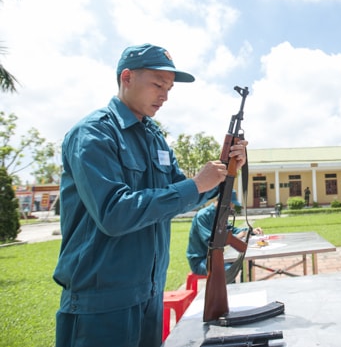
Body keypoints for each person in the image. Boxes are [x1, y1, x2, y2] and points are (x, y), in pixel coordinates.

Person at [52, 43, 248, 347]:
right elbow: (114, 213)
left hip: (150, 296)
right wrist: (196, 184)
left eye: (169, 88)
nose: (165, 95)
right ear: (127, 77)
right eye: (158, 84)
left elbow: (180, 194)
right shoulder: (93, 134)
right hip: (102, 304)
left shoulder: (154, 136)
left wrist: (225, 173)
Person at [187, 190, 262, 276]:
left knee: (244, 264)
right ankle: (228, 289)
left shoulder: (221, 214)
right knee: (229, 270)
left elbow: (231, 230)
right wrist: (234, 238)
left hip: (217, 256)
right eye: (231, 204)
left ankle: (240, 288)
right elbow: (211, 242)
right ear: (224, 202)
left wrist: (250, 231)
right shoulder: (203, 216)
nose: (232, 207)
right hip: (201, 260)